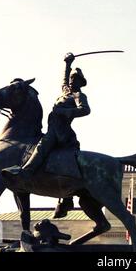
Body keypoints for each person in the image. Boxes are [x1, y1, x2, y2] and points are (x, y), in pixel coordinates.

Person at [15, 52, 90, 218]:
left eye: (75, 79)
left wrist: (66, 112)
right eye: (71, 78)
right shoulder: (65, 91)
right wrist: (67, 63)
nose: (71, 80)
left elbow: (85, 110)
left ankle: (26, 172)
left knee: (42, 146)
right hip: (52, 128)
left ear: (80, 82)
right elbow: (63, 79)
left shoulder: (78, 95)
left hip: (61, 133)